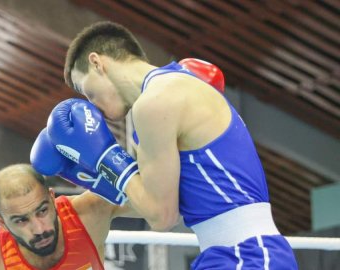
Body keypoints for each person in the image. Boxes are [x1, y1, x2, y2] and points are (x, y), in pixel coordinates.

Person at [38, 21, 298, 269]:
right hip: (231, 255)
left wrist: (106, 157)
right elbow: (162, 200)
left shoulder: (156, 102)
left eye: (87, 91)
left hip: (247, 256)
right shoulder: (170, 89)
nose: (93, 106)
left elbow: (162, 217)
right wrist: (98, 181)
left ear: (97, 63)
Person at [0, 163, 135, 270]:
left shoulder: (89, 212)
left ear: (51, 198)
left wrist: (115, 159)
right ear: (2, 223)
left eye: (42, 211)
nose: (40, 229)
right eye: (21, 220)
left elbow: (157, 208)